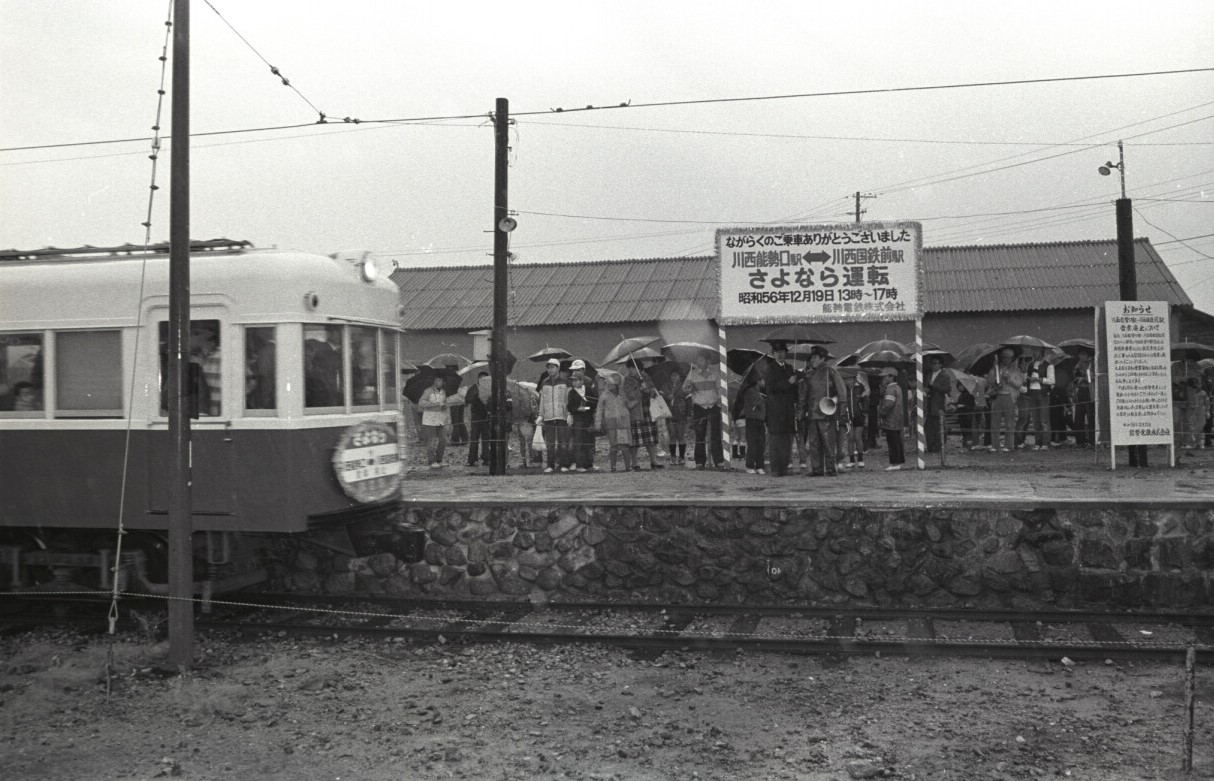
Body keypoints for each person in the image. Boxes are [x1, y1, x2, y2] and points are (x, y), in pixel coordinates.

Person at [798, 346, 848, 476]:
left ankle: (831, 469)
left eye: (815, 357)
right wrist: (800, 415)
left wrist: (841, 411)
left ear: (822, 358)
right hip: (812, 415)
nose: (812, 360)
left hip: (828, 415)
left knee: (828, 443)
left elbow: (841, 393)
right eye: (812, 357)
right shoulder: (808, 375)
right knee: (814, 444)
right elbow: (803, 397)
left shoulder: (831, 372)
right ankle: (817, 469)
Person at [763, 342, 798, 477]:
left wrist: (795, 383)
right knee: (775, 441)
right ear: (773, 353)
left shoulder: (790, 368)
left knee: (786, 440)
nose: (780, 354)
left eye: (782, 352)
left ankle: (784, 467)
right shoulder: (770, 368)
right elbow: (771, 388)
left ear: (786, 353)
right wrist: (788, 382)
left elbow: (793, 392)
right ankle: (776, 469)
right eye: (777, 352)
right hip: (776, 411)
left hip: (788, 410)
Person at [683, 354, 723, 469]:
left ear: (707, 361)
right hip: (699, 407)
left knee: (716, 434)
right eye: (697, 359)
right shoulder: (692, 374)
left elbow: (720, 389)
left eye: (702, 358)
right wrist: (688, 388)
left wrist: (719, 402)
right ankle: (700, 462)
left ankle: (718, 460)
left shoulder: (715, 373)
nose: (699, 361)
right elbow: (684, 389)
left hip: (713, 406)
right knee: (700, 435)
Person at [623, 361, 663, 470]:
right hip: (636, 410)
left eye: (632, 368)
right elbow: (630, 395)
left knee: (651, 436)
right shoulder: (627, 380)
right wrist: (640, 389)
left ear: (638, 368)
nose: (630, 370)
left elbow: (653, 391)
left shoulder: (645, 377)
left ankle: (653, 460)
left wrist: (648, 390)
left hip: (648, 409)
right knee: (635, 437)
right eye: (629, 368)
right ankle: (635, 462)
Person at [986, 347, 1024, 452]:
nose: (1005, 359)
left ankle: (1009, 445)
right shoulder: (996, 368)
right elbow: (989, 382)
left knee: (1009, 423)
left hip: (1009, 397)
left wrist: (1009, 379)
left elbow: (1018, 385)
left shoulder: (1016, 370)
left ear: (1012, 358)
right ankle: (995, 445)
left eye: (1008, 358)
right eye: (1004, 357)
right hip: (997, 397)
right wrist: (994, 371)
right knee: (995, 423)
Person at [595, 374, 633, 471]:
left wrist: (628, 400)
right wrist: (598, 423)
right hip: (611, 422)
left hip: (624, 421)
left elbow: (630, 404)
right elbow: (599, 409)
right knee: (613, 444)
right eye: (608, 383)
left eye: (611, 383)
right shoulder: (604, 395)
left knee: (625, 444)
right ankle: (613, 467)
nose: (609, 385)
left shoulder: (623, 393)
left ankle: (628, 467)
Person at [539, 361, 571, 472]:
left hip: (562, 416)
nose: (550, 370)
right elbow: (542, 401)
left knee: (563, 442)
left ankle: (564, 465)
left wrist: (569, 414)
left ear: (558, 368)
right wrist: (540, 415)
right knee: (550, 444)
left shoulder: (566, 382)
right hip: (548, 416)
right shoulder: (544, 383)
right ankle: (550, 465)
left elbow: (568, 399)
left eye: (552, 367)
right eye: (548, 368)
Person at [1016, 354, 1054, 450]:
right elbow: (1025, 380)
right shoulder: (1030, 365)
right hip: (1032, 393)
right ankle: (1038, 442)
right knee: (1036, 420)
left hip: (1043, 393)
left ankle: (1045, 443)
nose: (1034, 354)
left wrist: (1038, 379)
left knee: (1044, 420)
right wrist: (1026, 376)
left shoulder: (1049, 365)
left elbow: (1052, 381)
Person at [731, 375, 767, 474]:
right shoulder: (750, 391)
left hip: (760, 420)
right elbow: (758, 403)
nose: (765, 382)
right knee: (752, 443)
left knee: (761, 444)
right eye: (764, 380)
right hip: (752, 419)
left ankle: (760, 465)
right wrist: (766, 399)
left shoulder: (758, 391)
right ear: (758, 380)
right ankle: (750, 465)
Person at [566, 360, 597, 471]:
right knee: (578, 442)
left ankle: (589, 464)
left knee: (588, 442)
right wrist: (577, 409)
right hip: (578, 419)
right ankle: (579, 464)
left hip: (588, 418)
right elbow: (570, 406)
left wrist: (587, 408)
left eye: (576, 381)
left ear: (581, 381)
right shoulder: (572, 393)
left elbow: (594, 402)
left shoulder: (588, 388)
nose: (574, 383)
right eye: (573, 381)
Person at [417, 374, 450, 468]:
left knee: (443, 439)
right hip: (430, 419)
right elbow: (421, 402)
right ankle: (432, 461)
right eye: (438, 380)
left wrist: (444, 406)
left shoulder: (443, 391)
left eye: (441, 381)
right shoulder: (428, 391)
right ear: (434, 381)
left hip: (440, 419)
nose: (440, 383)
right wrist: (433, 404)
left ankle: (440, 459)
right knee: (431, 441)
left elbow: (444, 403)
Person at [878, 367, 905, 471]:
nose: (883, 378)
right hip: (898, 419)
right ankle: (900, 462)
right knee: (897, 441)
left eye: (885, 376)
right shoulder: (898, 388)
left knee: (892, 442)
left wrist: (881, 413)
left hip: (891, 420)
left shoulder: (890, 389)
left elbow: (889, 404)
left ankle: (894, 463)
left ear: (891, 377)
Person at [924, 356, 952, 453]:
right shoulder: (928, 374)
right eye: (933, 363)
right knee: (928, 427)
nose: (934, 365)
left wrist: (933, 385)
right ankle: (930, 447)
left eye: (936, 363)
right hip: (928, 402)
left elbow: (947, 389)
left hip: (938, 403)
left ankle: (939, 447)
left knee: (938, 426)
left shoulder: (945, 376)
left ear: (941, 364)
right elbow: (926, 385)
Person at [842, 371, 870, 468]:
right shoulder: (843, 388)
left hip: (859, 415)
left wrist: (864, 413)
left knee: (858, 437)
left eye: (849, 379)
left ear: (854, 378)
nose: (847, 381)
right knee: (850, 438)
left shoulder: (860, 387)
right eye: (846, 379)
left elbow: (866, 401)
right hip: (848, 416)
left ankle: (861, 459)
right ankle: (852, 460)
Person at [1070, 348, 1096, 447]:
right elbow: (1074, 376)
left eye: (1082, 355)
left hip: (1090, 392)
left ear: (1087, 355)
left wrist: (1083, 378)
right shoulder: (1079, 363)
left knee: (1091, 417)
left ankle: (1092, 440)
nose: (1080, 357)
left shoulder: (1093, 363)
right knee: (1078, 417)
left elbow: (1092, 377)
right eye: (1079, 355)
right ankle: (1080, 441)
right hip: (1080, 392)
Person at [511, 380, 538, 468]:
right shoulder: (528, 394)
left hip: (524, 421)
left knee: (525, 442)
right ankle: (527, 461)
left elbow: (531, 410)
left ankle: (528, 461)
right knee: (525, 442)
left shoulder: (527, 395)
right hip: (523, 421)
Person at [465, 371, 490, 467]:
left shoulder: (489, 389)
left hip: (486, 416)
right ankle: (471, 459)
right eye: (482, 379)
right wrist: (477, 394)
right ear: (478, 379)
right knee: (474, 438)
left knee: (486, 439)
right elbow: (467, 400)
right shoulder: (473, 388)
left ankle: (486, 458)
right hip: (476, 416)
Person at [666, 371, 689, 465]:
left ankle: (682, 457)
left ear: (680, 376)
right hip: (669, 413)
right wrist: (668, 397)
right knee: (672, 435)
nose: (674, 377)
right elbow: (661, 397)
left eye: (676, 375)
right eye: (672, 375)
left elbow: (688, 399)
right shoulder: (666, 385)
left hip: (681, 413)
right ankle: (672, 456)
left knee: (680, 435)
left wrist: (688, 413)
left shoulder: (684, 385)